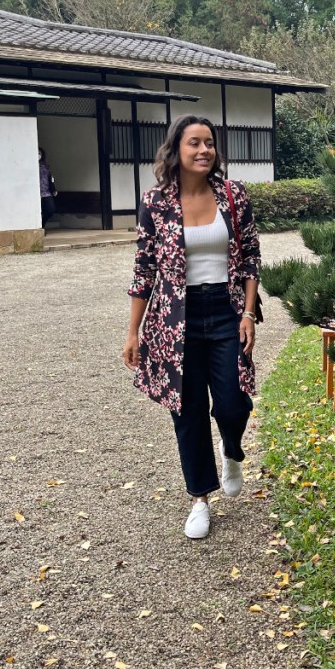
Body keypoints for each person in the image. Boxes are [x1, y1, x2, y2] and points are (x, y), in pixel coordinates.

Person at [122, 115, 261, 540]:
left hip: (226, 310)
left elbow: (252, 257)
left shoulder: (234, 196)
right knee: (188, 412)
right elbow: (144, 269)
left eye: (210, 143)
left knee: (234, 402)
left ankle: (232, 451)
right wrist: (134, 331)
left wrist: (249, 314)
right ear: (176, 151)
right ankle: (200, 498)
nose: (204, 150)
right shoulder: (157, 202)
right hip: (174, 318)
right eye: (194, 143)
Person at [39, 148, 57, 228]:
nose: (38, 155)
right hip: (36, 193)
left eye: (39, 153)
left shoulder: (45, 166)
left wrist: (53, 189)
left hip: (46, 192)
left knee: (50, 209)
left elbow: (50, 178)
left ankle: (42, 225)